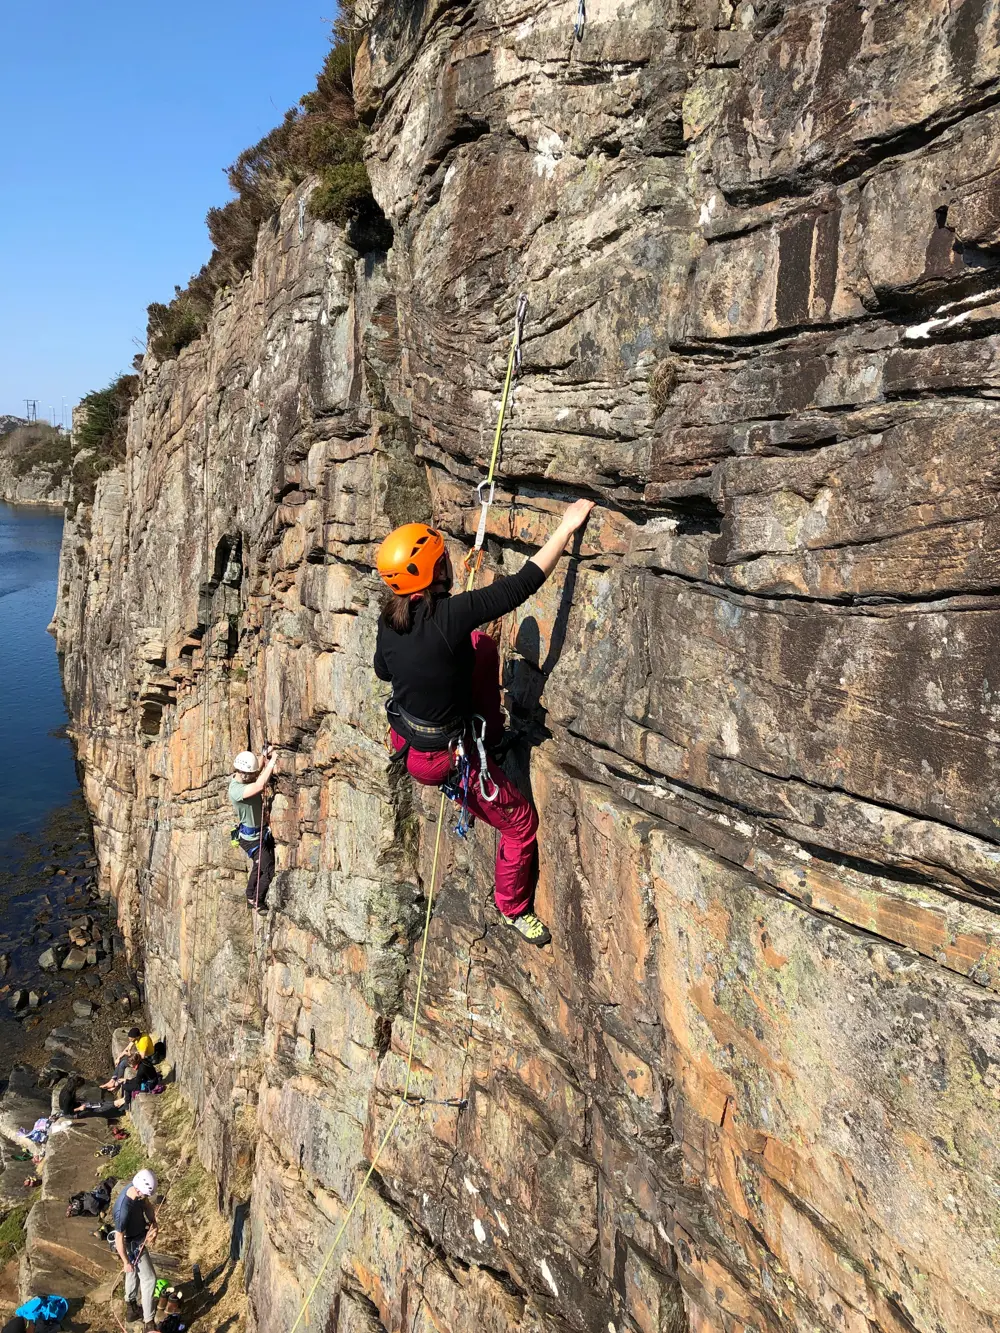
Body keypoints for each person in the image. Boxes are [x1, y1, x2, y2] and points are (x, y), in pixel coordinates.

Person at [373, 499, 595, 946]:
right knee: (520, 825)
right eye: (442, 559)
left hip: (410, 734)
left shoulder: (390, 619)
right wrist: (565, 528)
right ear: (436, 572)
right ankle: (512, 907)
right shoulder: (450, 617)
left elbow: (383, 671)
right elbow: (523, 584)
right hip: (443, 757)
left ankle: (490, 738)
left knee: (479, 646)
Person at [229, 747, 278, 909]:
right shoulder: (236, 791)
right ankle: (258, 900)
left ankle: (250, 895)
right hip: (251, 840)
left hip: (256, 834)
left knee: (259, 865)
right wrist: (273, 762)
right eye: (248, 774)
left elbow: (255, 775)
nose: (250, 776)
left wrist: (264, 757)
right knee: (268, 868)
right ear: (241, 773)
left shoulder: (244, 777)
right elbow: (259, 785)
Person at [114, 1170, 158, 1329]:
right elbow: (119, 1238)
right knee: (149, 1279)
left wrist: (153, 1222)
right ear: (139, 1190)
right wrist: (125, 1261)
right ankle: (149, 1322)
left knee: (132, 1272)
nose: (145, 1198)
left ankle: (131, 1307)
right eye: (145, 1195)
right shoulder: (122, 1211)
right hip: (131, 1242)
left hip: (138, 1235)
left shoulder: (137, 1190)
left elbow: (147, 1205)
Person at [100, 1028, 154, 1093]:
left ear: (136, 1037)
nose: (129, 1040)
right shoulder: (136, 1038)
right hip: (139, 1055)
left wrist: (130, 1055)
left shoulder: (143, 1041)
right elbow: (127, 1048)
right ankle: (112, 1080)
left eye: (131, 1039)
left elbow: (142, 1057)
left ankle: (117, 1083)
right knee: (120, 1060)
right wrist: (118, 1058)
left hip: (147, 1058)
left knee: (123, 1064)